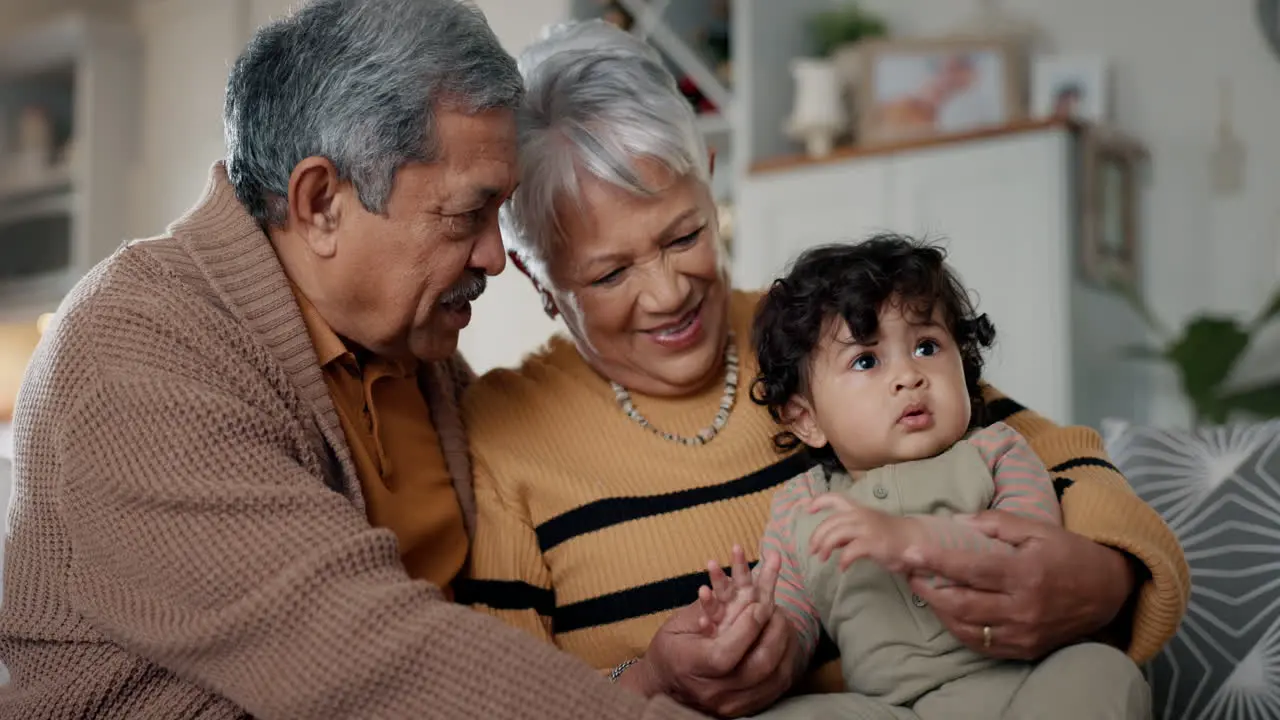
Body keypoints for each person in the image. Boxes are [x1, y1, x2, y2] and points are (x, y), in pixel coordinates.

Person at [462, 19, 1189, 720]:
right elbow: (502, 695)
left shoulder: (824, 330)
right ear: (535, 276)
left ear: (711, 182)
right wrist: (651, 683)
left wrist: (1098, 580)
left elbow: (1062, 464)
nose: (668, 293)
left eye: (684, 235)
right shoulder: (503, 440)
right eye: (611, 273)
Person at [0, 2, 704, 718]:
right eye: (467, 215)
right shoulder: (135, 349)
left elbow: (479, 635)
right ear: (321, 203)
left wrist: (639, 682)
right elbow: (371, 657)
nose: (495, 256)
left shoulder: (412, 348)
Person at [692, 236, 1148, 718]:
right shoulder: (800, 508)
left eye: (927, 346)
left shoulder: (995, 451)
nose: (909, 375)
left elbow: (1028, 557)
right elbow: (795, 630)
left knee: (1100, 670)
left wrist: (910, 540)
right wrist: (752, 627)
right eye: (866, 360)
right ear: (807, 419)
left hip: (1025, 686)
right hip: (893, 710)